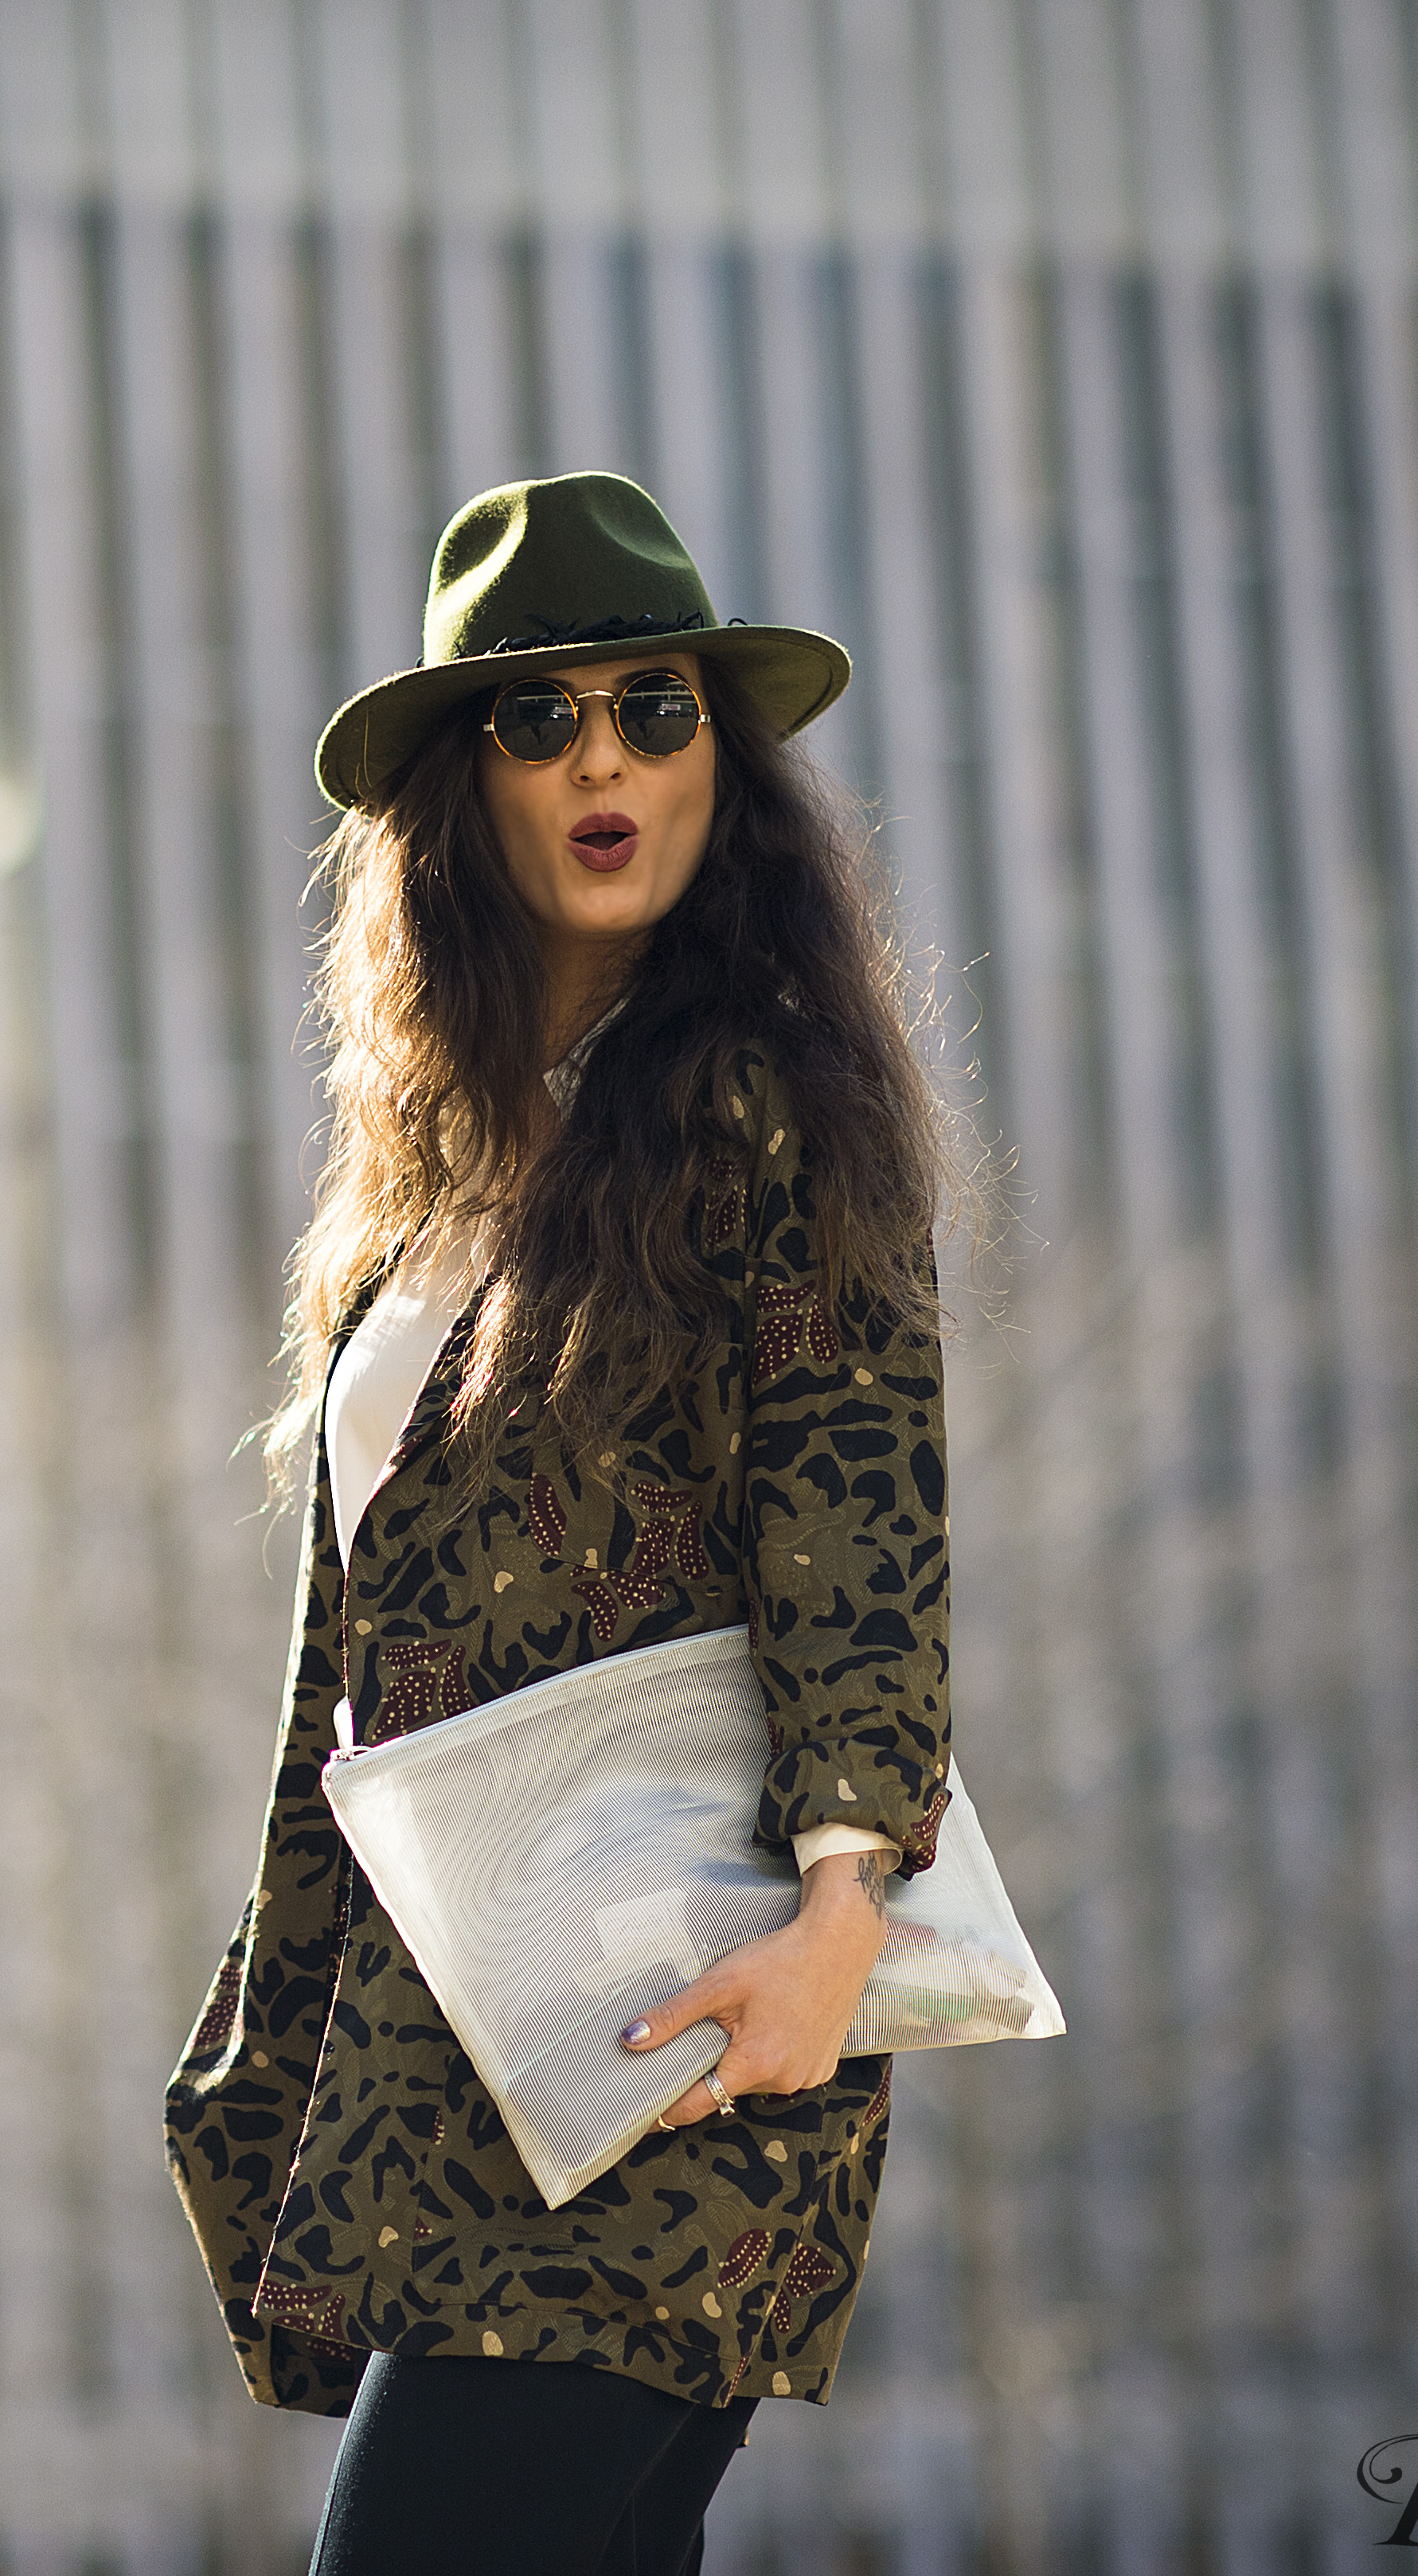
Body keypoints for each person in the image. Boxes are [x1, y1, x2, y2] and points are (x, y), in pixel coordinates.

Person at [165, 470, 957, 2573]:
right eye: (539, 717)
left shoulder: (762, 1101)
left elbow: (860, 1496)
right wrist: (273, 2020)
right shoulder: (417, 1204)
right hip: (463, 2062)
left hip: (687, 2033)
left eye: (655, 706)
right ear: (460, 791)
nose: (602, 755)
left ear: (724, 768)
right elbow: (357, 1682)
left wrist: (843, 1916)